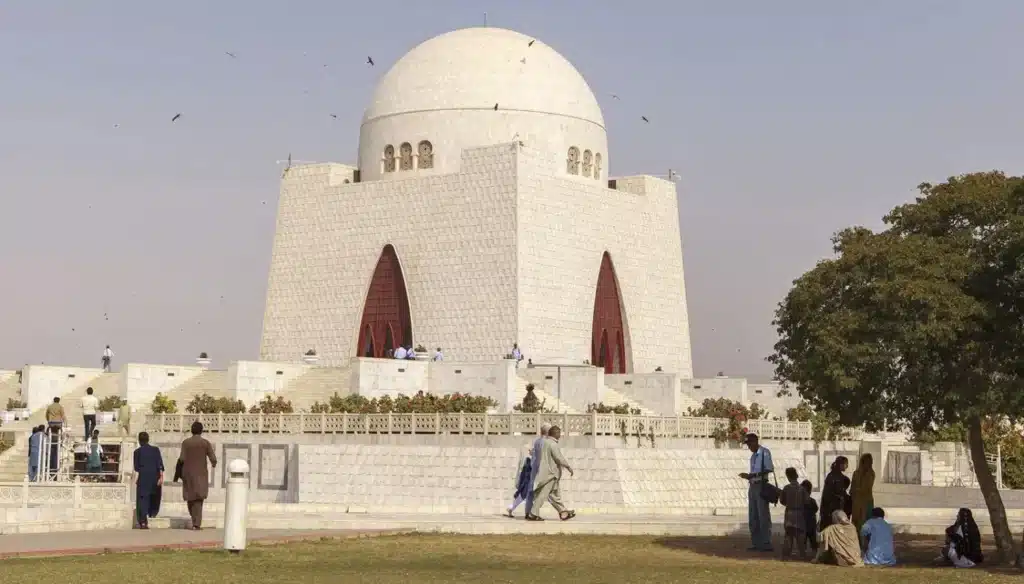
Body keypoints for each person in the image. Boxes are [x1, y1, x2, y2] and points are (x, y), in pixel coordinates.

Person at [175, 421, 218, 530]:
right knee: (199, 499)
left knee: (190, 497)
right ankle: (196, 523)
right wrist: (214, 463)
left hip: (188, 474)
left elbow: (182, 458)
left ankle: (194, 519)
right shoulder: (205, 443)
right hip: (201, 474)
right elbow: (213, 458)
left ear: (191, 430)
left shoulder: (186, 443)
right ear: (201, 431)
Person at [527, 425, 575, 521]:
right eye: (559, 433)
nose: (560, 435)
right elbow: (558, 458)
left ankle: (563, 512)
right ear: (555, 433)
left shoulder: (544, 442)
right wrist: (568, 467)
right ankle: (533, 513)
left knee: (553, 494)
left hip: (546, 472)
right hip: (550, 474)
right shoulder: (552, 444)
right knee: (543, 494)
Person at [738, 432, 774, 552]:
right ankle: (756, 542)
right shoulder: (753, 456)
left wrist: (753, 475)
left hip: (761, 485)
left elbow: (769, 469)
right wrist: (749, 476)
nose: (749, 447)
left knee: (763, 515)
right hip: (753, 485)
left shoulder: (764, 452)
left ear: (755, 442)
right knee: (753, 515)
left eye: (750, 444)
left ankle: (766, 542)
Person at [132, 431, 164, 529]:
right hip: (154, 477)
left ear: (139, 440)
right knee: (153, 497)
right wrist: (161, 477)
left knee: (142, 499)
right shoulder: (155, 450)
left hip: (143, 477)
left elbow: (136, 468)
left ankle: (143, 522)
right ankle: (151, 514)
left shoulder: (137, 452)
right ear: (148, 439)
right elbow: (160, 465)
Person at [780, 467, 811, 560]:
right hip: (799, 514)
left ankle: (786, 555)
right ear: (796, 476)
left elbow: (782, 501)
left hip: (789, 513)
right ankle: (802, 554)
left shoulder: (786, 488)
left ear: (788, 477)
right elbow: (807, 501)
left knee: (788, 535)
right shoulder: (802, 489)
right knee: (800, 536)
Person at [524, 423, 550, 517]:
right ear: (547, 432)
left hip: (534, 469)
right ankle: (533, 513)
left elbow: (535, 455)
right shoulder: (545, 442)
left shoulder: (537, 441)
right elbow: (542, 457)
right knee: (544, 491)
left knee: (531, 491)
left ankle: (528, 511)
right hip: (539, 469)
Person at [820, 456, 851, 531]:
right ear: (841, 464)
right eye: (846, 464)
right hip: (833, 508)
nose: (847, 466)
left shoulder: (832, 475)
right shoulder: (837, 477)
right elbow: (836, 492)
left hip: (830, 508)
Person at [850, 453, 875, 533]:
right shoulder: (856, 473)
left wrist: (857, 490)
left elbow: (866, 487)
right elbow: (852, 489)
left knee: (866, 524)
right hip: (857, 503)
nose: (870, 463)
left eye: (870, 462)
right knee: (857, 524)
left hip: (866, 501)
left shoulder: (871, 473)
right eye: (868, 461)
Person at [507, 444, 533, 517]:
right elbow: (525, 473)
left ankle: (527, 513)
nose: (530, 451)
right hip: (527, 482)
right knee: (522, 497)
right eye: (530, 450)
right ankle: (511, 508)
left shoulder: (531, 460)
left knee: (526, 497)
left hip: (528, 482)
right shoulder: (529, 460)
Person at [801, 479, 819, 553]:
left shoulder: (800, 501)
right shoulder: (812, 501)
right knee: (812, 539)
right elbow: (816, 509)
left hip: (804, 524)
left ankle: (803, 553)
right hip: (811, 523)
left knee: (804, 540)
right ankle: (814, 552)